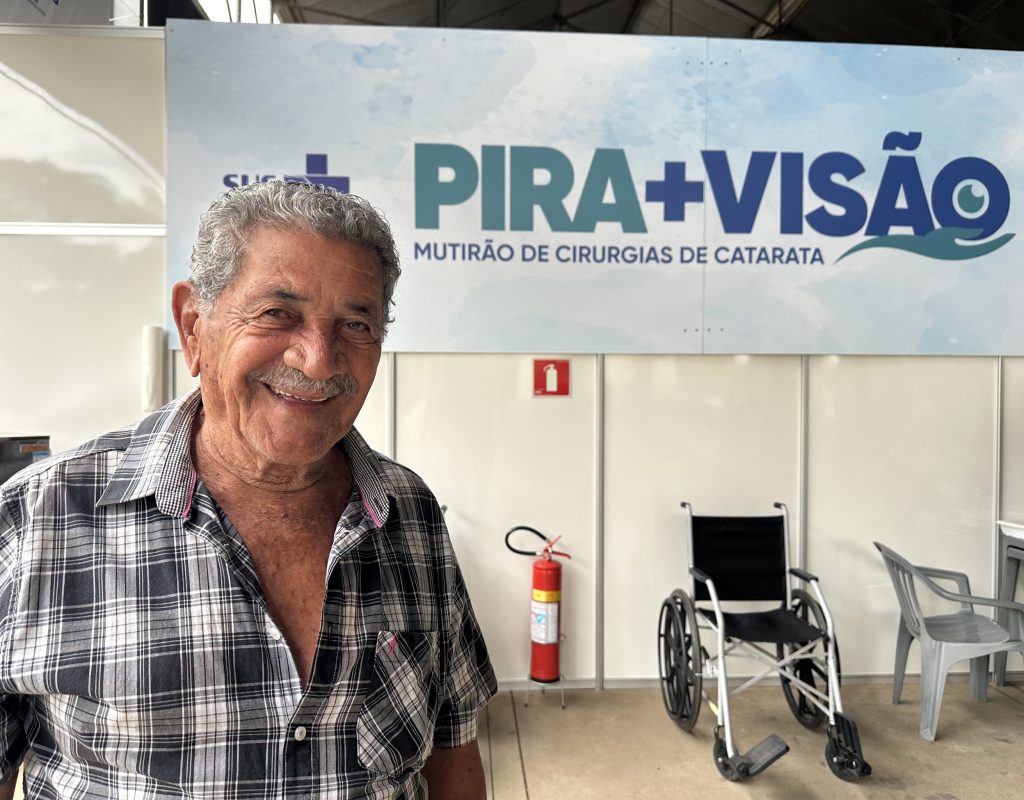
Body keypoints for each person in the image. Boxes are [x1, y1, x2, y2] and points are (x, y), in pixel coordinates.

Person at [0, 181, 497, 799]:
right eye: (276, 313)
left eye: (355, 323)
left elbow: (452, 753)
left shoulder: (409, 514)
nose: (318, 359)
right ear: (193, 326)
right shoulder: (34, 520)